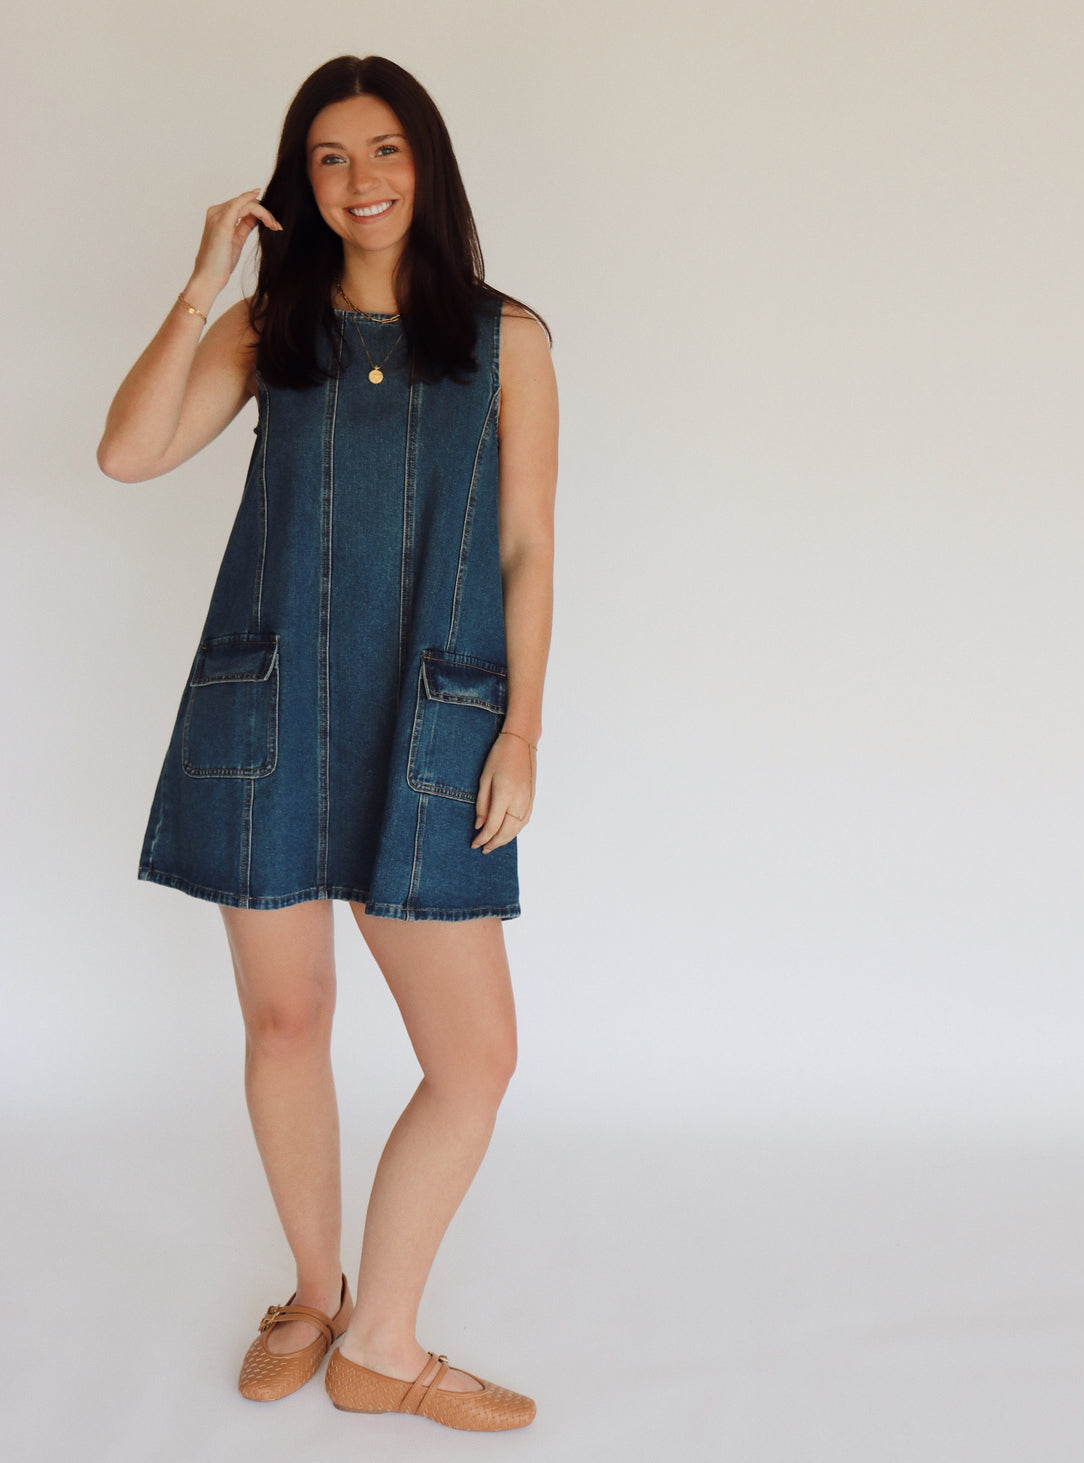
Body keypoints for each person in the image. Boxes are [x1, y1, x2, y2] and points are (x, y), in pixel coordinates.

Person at [96, 54, 556, 1433]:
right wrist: (201, 285)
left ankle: (383, 1342)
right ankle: (314, 1293)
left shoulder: (505, 337)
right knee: (287, 1022)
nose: (363, 182)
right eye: (332, 159)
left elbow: (529, 545)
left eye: (386, 150)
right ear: (300, 183)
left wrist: (523, 727)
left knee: (472, 1058)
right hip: (271, 703)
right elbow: (126, 454)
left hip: (435, 715)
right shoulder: (267, 334)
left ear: (430, 161)